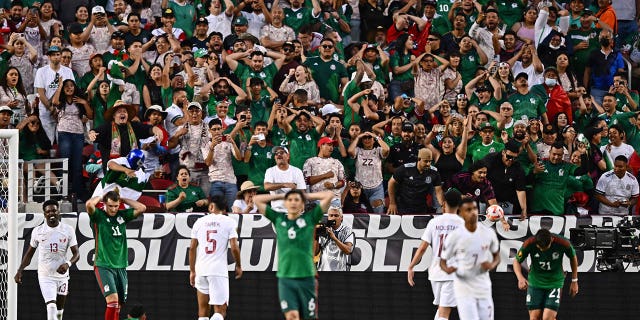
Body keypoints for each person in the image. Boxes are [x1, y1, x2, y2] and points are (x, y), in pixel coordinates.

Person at [254, 190, 334, 320]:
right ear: (285, 203)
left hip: (307, 277)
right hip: (286, 278)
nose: (293, 203)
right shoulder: (279, 219)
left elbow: (329, 195)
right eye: (290, 200)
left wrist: (305, 195)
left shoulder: (310, 219)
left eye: (297, 200)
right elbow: (257, 199)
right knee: (292, 316)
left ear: (302, 204)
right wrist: (281, 195)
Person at [85, 191, 146, 320]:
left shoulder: (122, 215)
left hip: (121, 265)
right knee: (112, 301)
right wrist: (101, 197)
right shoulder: (98, 216)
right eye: (110, 206)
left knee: (118, 304)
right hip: (104, 264)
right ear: (105, 204)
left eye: (116, 206)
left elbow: (142, 208)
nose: (113, 209)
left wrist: (123, 199)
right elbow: (89, 204)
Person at [14, 199, 79, 320]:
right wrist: (20, 270)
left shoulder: (68, 230)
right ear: (44, 214)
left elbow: (77, 254)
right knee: (51, 307)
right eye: (48, 212)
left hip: (62, 276)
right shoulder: (38, 231)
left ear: (58, 211)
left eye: (54, 210)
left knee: (59, 311)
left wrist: (68, 264)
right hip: (45, 276)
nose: (51, 214)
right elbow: (29, 254)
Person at [407, 189, 464, 320]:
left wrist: (411, 267)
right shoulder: (462, 224)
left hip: (435, 273)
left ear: (443, 203)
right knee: (444, 312)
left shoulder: (434, 222)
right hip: (452, 273)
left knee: (441, 309)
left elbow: (422, 248)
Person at [439, 198, 500, 320]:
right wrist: (447, 269)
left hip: (483, 286)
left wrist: (492, 265)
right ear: (460, 213)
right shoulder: (454, 237)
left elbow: (496, 256)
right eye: (468, 210)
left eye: (474, 208)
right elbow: (443, 261)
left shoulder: (488, 233)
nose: (473, 212)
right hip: (463, 287)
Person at [189, 195, 242, 320]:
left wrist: (192, 271)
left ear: (211, 206)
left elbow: (192, 248)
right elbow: (234, 247)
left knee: (202, 313)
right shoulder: (229, 222)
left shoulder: (199, 222)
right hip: (217, 271)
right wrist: (238, 265)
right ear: (224, 208)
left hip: (201, 270)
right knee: (220, 311)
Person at [513, 228, 579, 320]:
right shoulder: (529, 243)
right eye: (540, 248)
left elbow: (573, 257)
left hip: (554, 282)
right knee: (534, 318)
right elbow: (516, 261)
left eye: (545, 248)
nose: (542, 250)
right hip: (535, 282)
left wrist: (574, 280)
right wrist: (520, 278)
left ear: (552, 240)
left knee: (547, 318)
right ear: (536, 242)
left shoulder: (563, 242)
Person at [388, 148, 444, 215]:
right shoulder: (405, 169)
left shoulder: (434, 172)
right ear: (419, 159)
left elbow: (438, 191)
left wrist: (442, 205)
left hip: (421, 207)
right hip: (403, 206)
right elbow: (391, 183)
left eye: (430, 161)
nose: (428, 164)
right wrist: (392, 203)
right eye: (426, 161)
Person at [316, 206, 354, 271]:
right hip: (323, 269)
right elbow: (315, 252)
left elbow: (348, 250)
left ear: (341, 218)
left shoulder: (347, 230)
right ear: (328, 217)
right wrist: (315, 237)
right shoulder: (323, 229)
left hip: (339, 270)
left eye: (336, 215)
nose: (333, 218)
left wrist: (334, 238)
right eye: (331, 215)